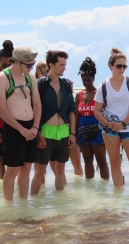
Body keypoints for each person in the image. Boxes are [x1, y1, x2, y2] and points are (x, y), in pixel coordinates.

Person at [94, 47, 129, 188]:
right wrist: (107, 123)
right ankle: (118, 199)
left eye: (124, 66)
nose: (122, 69)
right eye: (119, 66)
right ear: (111, 66)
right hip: (110, 130)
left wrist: (122, 124)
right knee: (114, 163)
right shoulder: (103, 86)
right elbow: (97, 111)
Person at [31, 50, 76, 195]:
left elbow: (71, 110)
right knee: (40, 171)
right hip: (45, 132)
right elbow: (33, 110)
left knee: (61, 168)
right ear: (51, 65)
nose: (64, 68)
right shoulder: (40, 85)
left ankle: (60, 204)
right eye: (61, 65)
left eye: (65, 64)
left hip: (63, 132)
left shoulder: (67, 85)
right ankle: (32, 205)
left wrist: (73, 133)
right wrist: (37, 133)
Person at [0, 46, 41, 200]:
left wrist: (35, 127)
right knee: (13, 170)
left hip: (32, 126)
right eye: (29, 65)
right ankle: (9, 207)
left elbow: (37, 104)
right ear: (17, 62)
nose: (32, 67)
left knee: (27, 168)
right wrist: (21, 130)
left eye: (33, 64)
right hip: (13, 127)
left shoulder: (30, 77)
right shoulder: (3, 78)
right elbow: (2, 109)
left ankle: (24, 206)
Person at [75, 57, 109, 179]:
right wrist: (74, 134)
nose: (86, 82)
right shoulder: (79, 95)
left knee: (101, 161)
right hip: (83, 133)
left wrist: (107, 133)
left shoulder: (99, 93)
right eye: (84, 80)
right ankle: (89, 192)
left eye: (89, 80)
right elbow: (76, 115)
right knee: (87, 161)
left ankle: (105, 189)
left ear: (93, 78)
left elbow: (105, 113)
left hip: (98, 132)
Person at [0, 40, 14, 179]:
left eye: (10, 65)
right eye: (4, 65)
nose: (7, 69)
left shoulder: (19, 78)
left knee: (14, 162)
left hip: (14, 126)